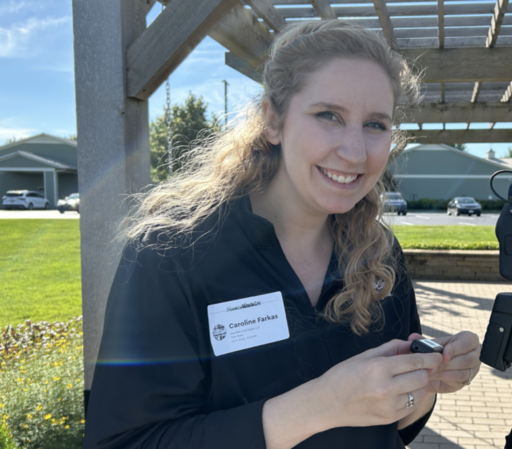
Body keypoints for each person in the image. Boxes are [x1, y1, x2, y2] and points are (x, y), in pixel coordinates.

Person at [83, 20, 481, 449]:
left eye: (375, 125)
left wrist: (428, 382)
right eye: (329, 115)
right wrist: (320, 405)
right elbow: (125, 441)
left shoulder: (379, 254)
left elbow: (396, 427)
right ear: (273, 120)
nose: (355, 151)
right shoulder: (171, 254)